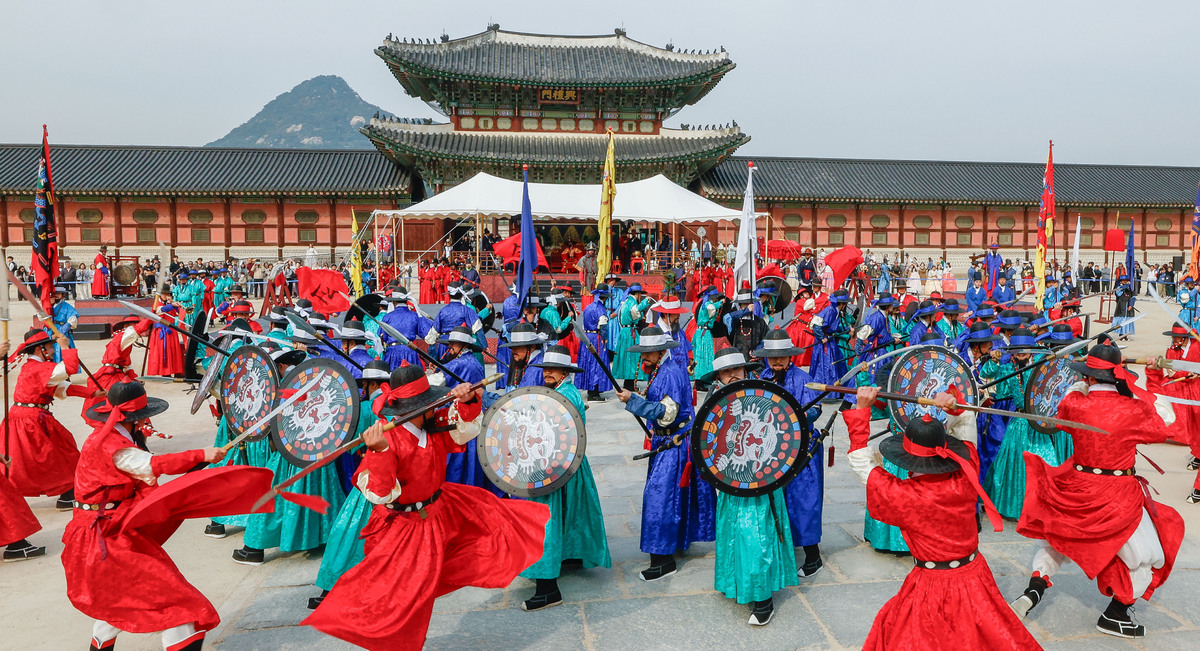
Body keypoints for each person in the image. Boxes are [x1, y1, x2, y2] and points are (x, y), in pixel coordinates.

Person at [304, 366, 550, 649]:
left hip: (442, 510)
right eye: (431, 402)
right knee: (404, 597)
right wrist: (380, 451)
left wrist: (466, 398)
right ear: (419, 407)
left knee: (496, 530)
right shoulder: (390, 438)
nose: (437, 407)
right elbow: (381, 493)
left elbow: (464, 423)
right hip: (405, 527)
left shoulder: (431, 426)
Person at [843, 386, 1040, 650]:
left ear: (907, 457)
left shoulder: (905, 495)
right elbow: (966, 431)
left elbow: (861, 461)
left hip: (933, 586)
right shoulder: (967, 471)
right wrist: (955, 407)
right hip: (975, 574)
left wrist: (862, 409)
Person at [1012, 345, 1185, 639]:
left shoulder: (1074, 404)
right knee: (1148, 556)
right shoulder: (1132, 409)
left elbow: (1069, 397)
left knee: (1059, 539)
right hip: (1117, 496)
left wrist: (1085, 380)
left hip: (1076, 487)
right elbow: (1166, 421)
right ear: (1117, 376)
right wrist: (1146, 379)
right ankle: (1115, 615)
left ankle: (1034, 589)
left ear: (1090, 377)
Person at [62, 381, 239, 651]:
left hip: (107, 530)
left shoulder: (114, 437)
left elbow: (144, 477)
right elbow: (152, 465)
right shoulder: (111, 445)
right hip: (104, 538)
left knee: (122, 600)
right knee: (176, 602)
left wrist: (196, 467)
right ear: (135, 418)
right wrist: (200, 454)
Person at [616, 325, 714, 581]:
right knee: (673, 496)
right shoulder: (662, 369)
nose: (644, 357)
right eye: (643, 352)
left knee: (660, 499)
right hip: (668, 441)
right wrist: (651, 428)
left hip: (675, 446)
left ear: (660, 351)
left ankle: (662, 561)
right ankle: (675, 544)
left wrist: (633, 401)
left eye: (648, 352)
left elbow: (668, 413)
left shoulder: (669, 372)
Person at [518, 345, 611, 610]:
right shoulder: (561, 391)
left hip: (554, 466)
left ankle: (547, 589)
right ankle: (568, 555)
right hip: (566, 465)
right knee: (569, 514)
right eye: (545, 368)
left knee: (544, 522)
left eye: (553, 369)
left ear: (564, 372)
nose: (547, 372)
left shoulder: (564, 397)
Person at [751, 329, 827, 576]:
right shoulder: (762, 377)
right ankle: (782, 547)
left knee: (805, 501)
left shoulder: (803, 379)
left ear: (790, 357)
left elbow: (816, 410)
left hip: (803, 449)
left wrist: (801, 415)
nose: (777, 361)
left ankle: (813, 556)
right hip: (772, 451)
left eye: (782, 356)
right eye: (772, 357)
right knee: (777, 500)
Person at [2, 328, 100, 507]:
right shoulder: (40, 368)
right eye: (50, 347)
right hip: (30, 420)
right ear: (41, 350)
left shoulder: (33, 367)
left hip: (26, 417)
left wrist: (93, 393)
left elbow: (61, 387)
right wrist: (66, 347)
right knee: (56, 454)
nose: (53, 351)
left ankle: (68, 492)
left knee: (57, 452)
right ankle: (66, 492)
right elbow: (69, 369)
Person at [1145, 326, 1200, 502]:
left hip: (1197, 386)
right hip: (1183, 384)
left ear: (1185, 338)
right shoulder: (1172, 349)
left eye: (1178, 338)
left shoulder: (1197, 347)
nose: (1175, 341)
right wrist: (1185, 373)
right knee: (1167, 396)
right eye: (1174, 338)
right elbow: (1172, 370)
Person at [578, 284, 613, 401]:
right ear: (605, 297)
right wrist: (605, 338)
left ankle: (590, 389)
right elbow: (603, 325)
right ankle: (595, 392)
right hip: (596, 338)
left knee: (588, 363)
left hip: (587, 337)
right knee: (597, 364)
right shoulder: (601, 309)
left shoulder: (588, 307)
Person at [613, 284, 651, 391]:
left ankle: (628, 382)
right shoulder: (632, 302)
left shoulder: (625, 302)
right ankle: (629, 383)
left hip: (624, 332)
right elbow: (636, 312)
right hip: (630, 332)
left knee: (626, 357)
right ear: (638, 294)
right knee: (632, 357)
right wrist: (645, 302)